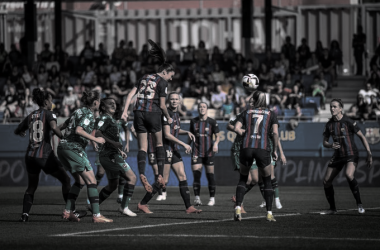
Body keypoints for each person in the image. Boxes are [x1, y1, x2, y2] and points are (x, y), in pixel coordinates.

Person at [121, 39, 173, 196]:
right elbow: (163, 105)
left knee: (142, 147)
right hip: (153, 113)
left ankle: (142, 173)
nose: (171, 79)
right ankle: (160, 176)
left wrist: (125, 111)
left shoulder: (143, 77)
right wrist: (168, 118)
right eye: (171, 76)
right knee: (159, 144)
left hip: (138, 113)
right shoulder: (162, 83)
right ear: (165, 72)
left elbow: (130, 94)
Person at [137, 92, 202, 214]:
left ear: (179, 101)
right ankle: (142, 203)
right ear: (168, 100)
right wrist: (184, 144)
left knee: (182, 176)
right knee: (163, 181)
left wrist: (186, 132)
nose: (174, 101)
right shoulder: (166, 114)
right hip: (165, 150)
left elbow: (175, 130)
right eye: (172, 99)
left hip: (174, 150)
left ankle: (188, 207)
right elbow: (167, 134)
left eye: (176, 99)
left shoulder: (176, 114)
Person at [14, 89, 72, 222]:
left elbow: (18, 129)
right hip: (44, 156)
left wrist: (21, 132)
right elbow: (53, 127)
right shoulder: (49, 114)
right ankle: (71, 211)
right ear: (46, 102)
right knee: (66, 180)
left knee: (32, 186)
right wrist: (63, 137)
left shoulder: (31, 115)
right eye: (51, 101)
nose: (51, 103)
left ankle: (24, 215)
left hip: (30, 156)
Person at [57, 90, 112, 223]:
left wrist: (64, 141)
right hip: (74, 149)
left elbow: (61, 126)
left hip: (62, 148)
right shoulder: (88, 114)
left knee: (80, 181)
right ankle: (97, 215)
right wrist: (96, 139)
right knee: (91, 181)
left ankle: (68, 211)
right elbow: (79, 130)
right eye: (99, 100)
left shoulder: (78, 111)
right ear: (95, 102)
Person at [232, 91, 279, 222]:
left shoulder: (246, 112)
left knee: (243, 179)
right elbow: (275, 133)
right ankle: (269, 213)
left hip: (247, 148)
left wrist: (246, 133)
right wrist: (275, 150)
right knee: (267, 180)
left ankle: (237, 208)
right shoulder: (271, 114)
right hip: (262, 149)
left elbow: (236, 128)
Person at [321, 99, 372, 215]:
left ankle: (359, 204)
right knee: (326, 182)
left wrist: (369, 153)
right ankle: (332, 209)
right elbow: (324, 142)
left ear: (340, 109)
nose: (332, 109)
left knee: (349, 175)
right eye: (331, 107)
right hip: (338, 156)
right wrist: (330, 145)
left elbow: (362, 137)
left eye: (334, 106)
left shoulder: (348, 121)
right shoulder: (329, 124)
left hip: (351, 154)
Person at [94, 97, 137, 217]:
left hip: (113, 153)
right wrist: (114, 145)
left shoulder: (112, 119)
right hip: (110, 155)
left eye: (114, 103)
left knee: (113, 185)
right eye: (110, 104)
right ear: (103, 107)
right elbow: (97, 133)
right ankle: (124, 207)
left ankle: (94, 206)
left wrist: (119, 149)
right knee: (132, 178)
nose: (114, 105)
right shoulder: (104, 118)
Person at [189, 102, 220, 206]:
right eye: (200, 107)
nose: (202, 108)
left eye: (204, 107)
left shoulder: (212, 122)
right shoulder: (193, 121)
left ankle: (212, 198)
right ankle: (197, 198)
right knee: (196, 176)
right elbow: (191, 136)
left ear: (207, 109)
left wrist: (216, 144)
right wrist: (187, 145)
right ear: (197, 109)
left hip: (209, 152)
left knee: (210, 176)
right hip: (196, 152)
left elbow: (218, 135)